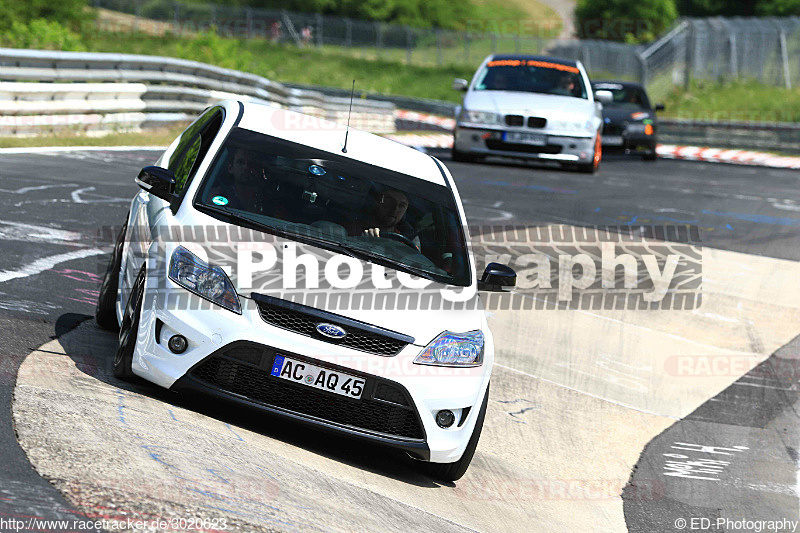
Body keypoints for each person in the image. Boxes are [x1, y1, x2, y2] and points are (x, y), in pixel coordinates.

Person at [348, 188, 420, 250]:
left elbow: (416, 262)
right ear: (377, 202)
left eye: (401, 206)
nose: (394, 209)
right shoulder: (354, 229)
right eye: (390, 202)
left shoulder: (408, 240)